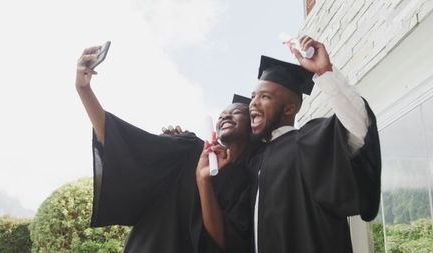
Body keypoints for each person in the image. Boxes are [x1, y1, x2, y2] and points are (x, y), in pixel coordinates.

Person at [75, 45, 252, 253]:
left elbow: (225, 242)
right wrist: (84, 90)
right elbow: (129, 143)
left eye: (238, 112)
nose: (225, 116)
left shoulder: (249, 180)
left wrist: (203, 180)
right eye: (222, 114)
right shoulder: (189, 147)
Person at [247, 36, 381, 253]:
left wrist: (325, 73)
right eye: (253, 96)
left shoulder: (305, 142)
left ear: (290, 109)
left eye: (265, 97)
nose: (253, 102)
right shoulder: (256, 159)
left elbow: (359, 130)